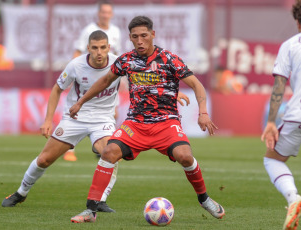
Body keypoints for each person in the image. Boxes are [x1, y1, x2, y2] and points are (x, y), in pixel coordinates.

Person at [69, 16, 225, 223]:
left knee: (185, 156)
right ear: (130, 38)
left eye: (144, 36)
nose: (140, 40)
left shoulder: (169, 59)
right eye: (135, 37)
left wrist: (203, 112)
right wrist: (81, 101)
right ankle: (91, 210)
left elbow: (197, 84)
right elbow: (105, 81)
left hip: (166, 123)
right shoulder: (126, 60)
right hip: (135, 124)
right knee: (108, 152)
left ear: (152, 35)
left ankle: (204, 199)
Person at [1, 30, 121, 212]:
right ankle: (21, 193)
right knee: (44, 160)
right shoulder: (76, 65)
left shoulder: (118, 64)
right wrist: (48, 120)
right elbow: (57, 89)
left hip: (103, 119)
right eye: (95, 48)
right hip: (75, 118)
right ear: (87, 48)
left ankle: (100, 200)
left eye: (103, 48)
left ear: (109, 47)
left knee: (110, 154)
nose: (99, 52)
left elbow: (142, 79)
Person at [64, 0, 121, 161]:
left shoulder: (116, 31)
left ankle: (102, 146)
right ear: (99, 13)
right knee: (78, 111)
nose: (105, 15)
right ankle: (69, 150)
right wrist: (73, 72)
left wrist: (122, 81)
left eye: (108, 12)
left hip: (108, 80)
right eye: (103, 12)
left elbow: (117, 58)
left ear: (112, 14)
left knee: (113, 113)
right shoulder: (89, 30)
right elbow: (77, 52)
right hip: (87, 78)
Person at [261, 1, 301, 229]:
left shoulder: (290, 45)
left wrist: (270, 122)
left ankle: (293, 198)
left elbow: (279, 85)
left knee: (272, 159)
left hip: (297, 116)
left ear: (297, 22)